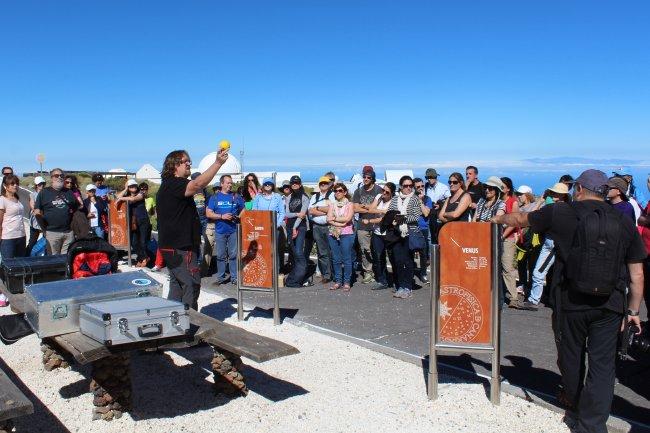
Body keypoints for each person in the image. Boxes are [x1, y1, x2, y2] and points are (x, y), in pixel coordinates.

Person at [493, 169, 645, 433]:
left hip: (570, 300)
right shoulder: (622, 221)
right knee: (603, 365)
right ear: (604, 191)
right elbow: (637, 273)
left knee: (571, 356)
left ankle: (573, 405)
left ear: (579, 189)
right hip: (611, 304)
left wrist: (498, 218)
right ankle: (593, 425)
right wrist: (633, 310)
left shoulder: (562, 213)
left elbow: (520, 218)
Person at [157, 147, 228, 309]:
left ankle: (173, 321)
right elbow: (198, 184)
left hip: (173, 246)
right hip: (180, 247)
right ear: (175, 165)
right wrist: (218, 163)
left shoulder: (168, 185)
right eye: (185, 161)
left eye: (190, 161)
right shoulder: (175, 184)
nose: (189, 164)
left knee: (177, 284)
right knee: (192, 283)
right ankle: (188, 322)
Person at [525, 182, 570, 310]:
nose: (551, 194)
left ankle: (534, 300)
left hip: (551, 244)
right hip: (559, 243)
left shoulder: (551, 208)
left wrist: (540, 201)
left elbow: (531, 216)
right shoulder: (568, 209)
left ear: (560, 195)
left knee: (538, 272)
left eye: (553, 192)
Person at [388, 176, 424, 299]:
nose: (408, 188)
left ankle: (407, 286)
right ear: (400, 186)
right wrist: (396, 219)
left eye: (410, 185)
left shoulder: (414, 199)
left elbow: (416, 216)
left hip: (410, 233)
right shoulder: (395, 199)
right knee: (397, 261)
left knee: (408, 261)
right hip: (397, 233)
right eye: (405, 186)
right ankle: (400, 286)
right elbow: (390, 213)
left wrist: (401, 218)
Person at [206, 174, 245, 285]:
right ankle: (221, 277)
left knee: (233, 255)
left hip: (233, 230)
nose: (230, 185)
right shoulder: (215, 198)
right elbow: (209, 213)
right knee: (221, 255)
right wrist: (222, 216)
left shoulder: (236, 196)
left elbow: (244, 208)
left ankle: (234, 278)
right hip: (220, 230)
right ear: (222, 184)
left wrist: (238, 217)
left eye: (231, 183)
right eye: (228, 183)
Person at [34, 168, 79, 255]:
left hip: (68, 233)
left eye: (61, 176)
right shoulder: (44, 192)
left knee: (66, 259)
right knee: (53, 260)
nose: (59, 177)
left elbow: (76, 208)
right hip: (52, 233)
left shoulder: (69, 192)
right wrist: (44, 230)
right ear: (51, 178)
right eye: (56, 175)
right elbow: (37, 212)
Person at [353, 166, 383, 284]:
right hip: (362, 225)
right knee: (365, 250)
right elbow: (355, 208)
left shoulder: (379, 190)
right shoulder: (358, 191)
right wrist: (370, 208)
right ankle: (368, 272)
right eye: (364, 177)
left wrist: (363, 207)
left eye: (368, 177)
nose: (365, 179)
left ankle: (378, 271)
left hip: (376, 224)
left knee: (376, 250)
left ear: (373, 179)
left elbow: (379, 208)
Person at [252, 178, 287, 272]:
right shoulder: (258, 197)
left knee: (275, 250)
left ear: (273, 186)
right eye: (266, 184)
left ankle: (276, 271)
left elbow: (282, 212)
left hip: (274, 228)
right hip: (261, 228)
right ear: (263, 186)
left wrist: (277, 224)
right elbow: (254, 211)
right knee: (262, 250)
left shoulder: (277, 197)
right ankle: (263, 271)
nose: (268, 186)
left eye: (270, 184)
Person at [367, 182, 397, 290]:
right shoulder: (379, 197)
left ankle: (396, 281)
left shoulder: (394, 201)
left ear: (392, 193)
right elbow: (370, 209)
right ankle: (382, 280)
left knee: (393, 257)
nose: (384, 193)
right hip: (377, 232)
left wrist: (372, 219)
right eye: (383, 190)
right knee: (378, 257)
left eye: (387, 192)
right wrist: (384, 211)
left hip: (388, 233)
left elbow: (385, 219)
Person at [327, 183, 355, 291]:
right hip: (333, 233)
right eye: (335, 191)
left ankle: (347, 281)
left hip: (346, 233)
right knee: (336, 258)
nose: (337, 193)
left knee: (347, 258)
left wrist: (335, 219)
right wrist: (340, 223)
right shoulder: (332, 205)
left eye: (340, 190)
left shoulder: (350, 204)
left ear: (345, 192)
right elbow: (328, 219)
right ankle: (338, 281)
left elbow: (348, 218)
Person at [284, 175, 311, 287]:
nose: (295, 184)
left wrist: (295, 227)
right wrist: (295, 214)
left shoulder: (305, 197)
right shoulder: (289, 197)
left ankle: (302, 274)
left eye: (297, 183)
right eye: (293, 183)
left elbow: (302, 215)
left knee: (299, 252)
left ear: (300, 184)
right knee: (294, 253)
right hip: (290, 227)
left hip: (300, 227)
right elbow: (287, 214)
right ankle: (294, 279)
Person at [117, 179, 150, 267]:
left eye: (134, 185)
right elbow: (117, 196)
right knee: (134, 242)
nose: (133, 187)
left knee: (142, 242)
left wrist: (121, 198)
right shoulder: (126, 194)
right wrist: (124, 189)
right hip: (133, 222)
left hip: (143, 220)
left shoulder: (141, 194)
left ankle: (143, 258)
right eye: (130, 186)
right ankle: (142, 257)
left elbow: (134, 199)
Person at [308, 176, 333, 283]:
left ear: (329, 184)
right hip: (317, 227)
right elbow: (310, 211)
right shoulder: (315, 196)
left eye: (325, 183)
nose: (323, 185)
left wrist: (317, 208)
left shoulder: (332, 195)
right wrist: (325, 211)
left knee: (331, 250)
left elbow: (333, 209)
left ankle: (333, 273)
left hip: (329, 226)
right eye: (321, 183)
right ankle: (326, 275)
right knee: (321, 252)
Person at [500, 176, 521, 307]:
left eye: (502, 186)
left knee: (507, 268)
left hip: (508, 238)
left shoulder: (513, 202)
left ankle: (513, 298)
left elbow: (513, 222)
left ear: (507, 188)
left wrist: (502, 236)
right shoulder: (497, 201)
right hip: (498, 237)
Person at [0, 174, 27, 259]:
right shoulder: (2, 200)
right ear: (5, 186)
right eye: (12, 184)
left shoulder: (17, 199)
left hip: (21, 236)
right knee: (8, 265)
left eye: (17, 183)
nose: (15, 185)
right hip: (8, 238)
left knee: (20, 264)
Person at [423, 168, 450, 244]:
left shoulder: (443, 187)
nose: (429, 179)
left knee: (438, 236)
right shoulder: (426, 187)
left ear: (435, 177)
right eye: (427, 178)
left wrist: (440, 205)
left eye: (431, 177)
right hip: (429, 215)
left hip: (439, 216)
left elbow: (449, 200)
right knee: (430, 237)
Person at [414, 178, 432, 283]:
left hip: (423, 228)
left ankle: (423, 273)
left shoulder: (427, 199)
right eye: (418, 187)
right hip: (412, 228)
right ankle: (411, 271)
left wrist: (420, 202)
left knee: (423, 253)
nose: (421, 188)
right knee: (410, 251)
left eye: (422, 186)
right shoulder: (411, 199)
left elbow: (426, 213)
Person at [26, 176, 46, 256]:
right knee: (32, 241)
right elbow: (33, 207)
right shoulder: (33, 195)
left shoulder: (46, 194)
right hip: (35, 221)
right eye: (39, 184)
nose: (41, 185)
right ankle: (27, 256)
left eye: (43, 184)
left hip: (45, 220)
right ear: (36, 185)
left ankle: (41, 255)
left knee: (46, 239)